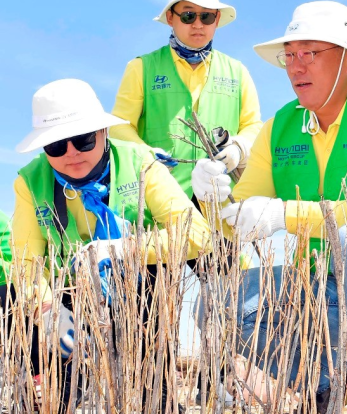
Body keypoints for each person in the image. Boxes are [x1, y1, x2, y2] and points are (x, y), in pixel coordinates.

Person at [193, 1, 347, 412]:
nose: (296, 67)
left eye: (310, 54)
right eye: (290, 56)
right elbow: (238, 219)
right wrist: (213, 198)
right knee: (214, 302)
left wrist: (284, 214)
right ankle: (322, 385)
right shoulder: (280, 125)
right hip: (322, 290)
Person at [12, 78, 215, 413]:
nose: (71, 154)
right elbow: (26, 261)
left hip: (138, 286)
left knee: (153, 391)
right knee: (53, 375)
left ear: (103, 133)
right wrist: (46, 310)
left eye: (82, 139)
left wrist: (125, 249)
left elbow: (199, 235)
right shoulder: (28, 182)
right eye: (56, 146)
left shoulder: (141, 161)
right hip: (69, 292)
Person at [110, 0, 263, 199]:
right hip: (161, 198)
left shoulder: (238, 72)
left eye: (207, 16)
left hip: (222, 198)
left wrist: (238, 148)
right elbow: (119, 127)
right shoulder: (141, 67)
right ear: (171, 17)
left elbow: (253, 125)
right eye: (188, 15)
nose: (198, 24)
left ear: (217, 19)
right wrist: (146, 155)